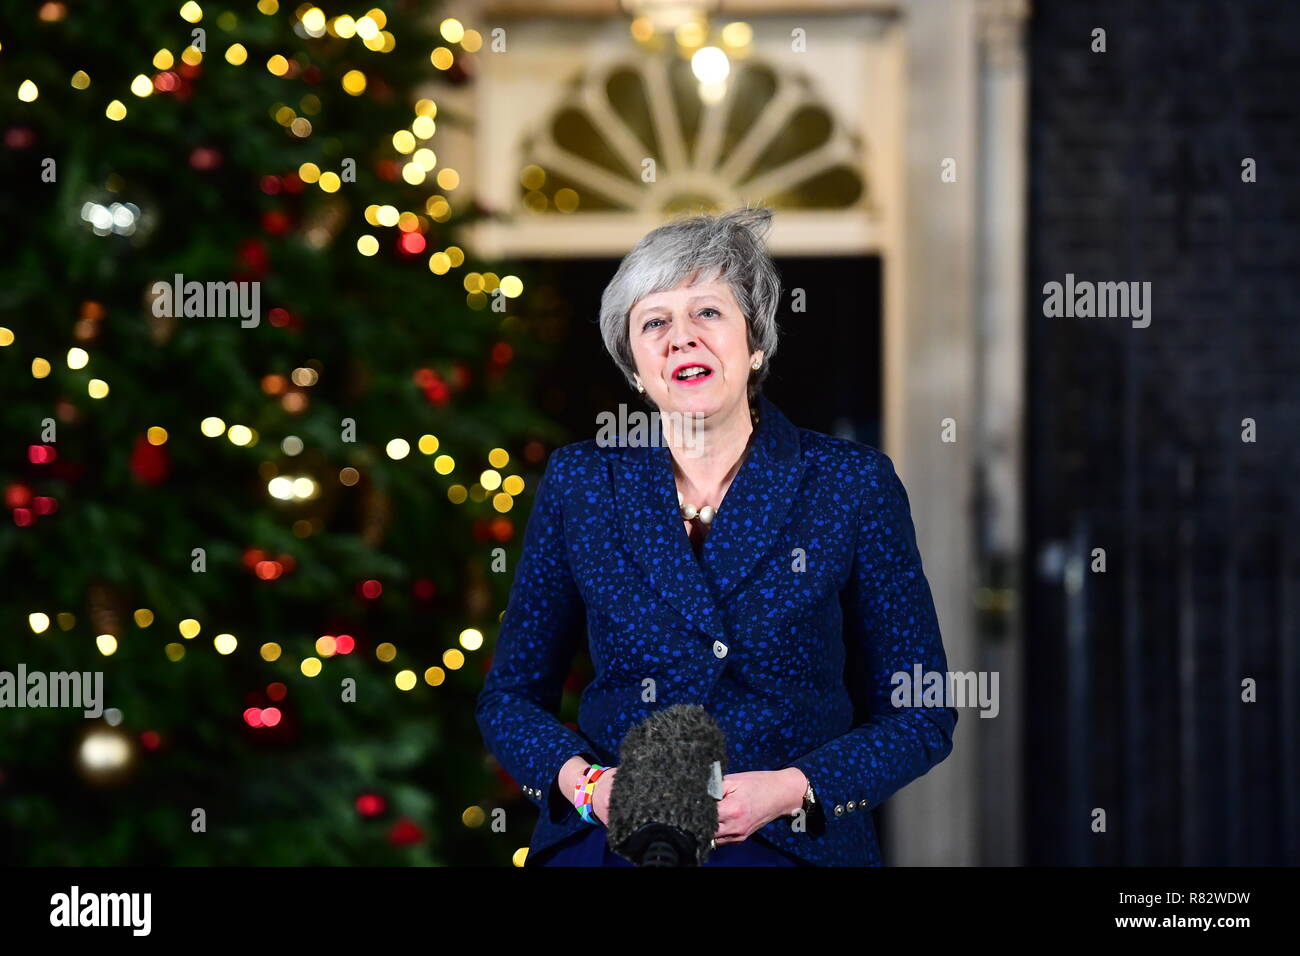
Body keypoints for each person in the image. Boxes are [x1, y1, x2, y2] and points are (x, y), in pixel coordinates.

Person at [475, 207, 957, 866]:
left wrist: (793, 790)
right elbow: (509, 699)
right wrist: (588, 788)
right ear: (637, 369)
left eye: (708, 312)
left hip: (790, 843)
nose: (681, 337)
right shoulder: (581, 482)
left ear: (755, 344)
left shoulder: (851, 484)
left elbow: (921, 714)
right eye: (654, 323)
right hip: (612, 841)